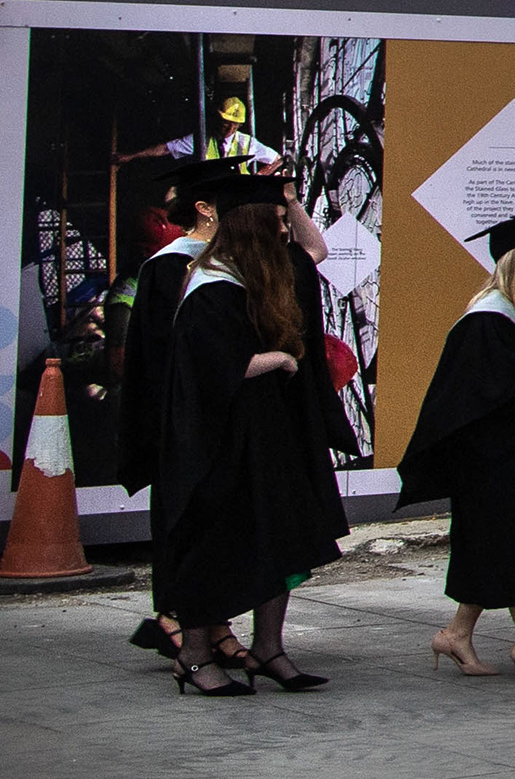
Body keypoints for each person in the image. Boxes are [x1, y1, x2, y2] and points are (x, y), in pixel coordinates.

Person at [152, 168, 350, 696]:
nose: (286, 230)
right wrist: (278, 358)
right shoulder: (210, 287)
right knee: (213, 543)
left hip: (261, 434)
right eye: (279, 221)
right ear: (253, 226)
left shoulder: (255, 275)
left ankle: (268, 649)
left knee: (278, 538)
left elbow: (313, 251)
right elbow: (217, 366)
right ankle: (193, 658)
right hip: (216, 441)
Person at [401, 210, 515, 680]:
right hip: (494, 456)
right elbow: (473, 389)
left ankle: (456, 634)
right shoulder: (485, 319)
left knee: (494, 545)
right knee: (514, 541)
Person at [116, 159, 219, 672]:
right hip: (178, 415)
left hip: (215, 411)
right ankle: (172, 617)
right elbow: (156, 356)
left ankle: (212, 625)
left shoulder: (230, 261)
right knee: (181, 517)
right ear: (204, 208)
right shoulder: (167, 265)